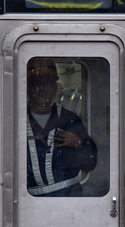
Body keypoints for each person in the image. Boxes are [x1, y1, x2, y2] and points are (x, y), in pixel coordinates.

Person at [25, 60, 97, 197]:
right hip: (29, 199)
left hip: (69, 197)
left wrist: (79, 144)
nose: (41, 89)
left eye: (47, 83)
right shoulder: (18, 121)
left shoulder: (70, 119)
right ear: (27, 87)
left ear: (55, 87)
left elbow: (90, 164)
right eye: (35, 83)